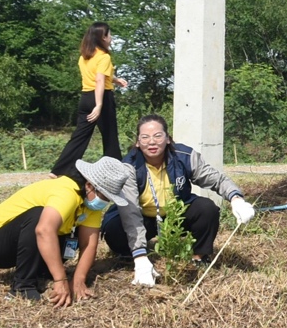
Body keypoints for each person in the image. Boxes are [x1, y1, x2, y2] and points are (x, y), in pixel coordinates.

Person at [101, 114, 257, 286]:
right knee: (114, 229)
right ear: (138, 142)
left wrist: (236, 199)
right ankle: (134, 256)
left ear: (168, 139)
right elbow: (130, 213)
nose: (151, 142)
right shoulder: (128, 167)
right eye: (145, 137)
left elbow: (217, 179)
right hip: (143, 217)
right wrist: (140, 257)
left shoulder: (184, 156)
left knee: (207, 209)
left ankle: (199, 257)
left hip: (175, 216)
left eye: (158, 136)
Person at [0, 157, 130, 304]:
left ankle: (41, 272)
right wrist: (61, 280)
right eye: (105, 195)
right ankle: (22, 286)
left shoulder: (89, 202)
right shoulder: (66, 192)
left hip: (25, 246)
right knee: (39, 218)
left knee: (74, 233)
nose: (105, 201)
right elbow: (44, 230)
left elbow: (89, 243)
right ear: (89, 185)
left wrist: (78, 280)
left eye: (109, 198)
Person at [51, 21, 128, 176]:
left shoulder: (84, 57)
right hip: (101, 98)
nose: (111, 37)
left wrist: (115, 79)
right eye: (109, 34)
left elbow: (98, 75)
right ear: (102, 38)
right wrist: (99, 105)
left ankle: (59, 170)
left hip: (86, 97)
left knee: (80, 136)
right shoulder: (104, 57)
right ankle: (115, 171)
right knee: (110, 136)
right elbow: (99, 80)